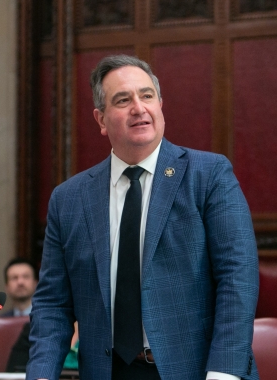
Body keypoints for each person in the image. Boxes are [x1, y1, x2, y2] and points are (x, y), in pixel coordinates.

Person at [25, 54, 260, 380]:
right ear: (101, 119)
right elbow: (52, 305)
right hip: (108, 371)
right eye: (123, 100)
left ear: (160, 105)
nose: (139, 107)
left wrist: (224, 373)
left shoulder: (208, 175)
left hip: (195, 371)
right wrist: (40, 375)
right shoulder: (69, 199)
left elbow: (238, 279)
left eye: (147, 95)